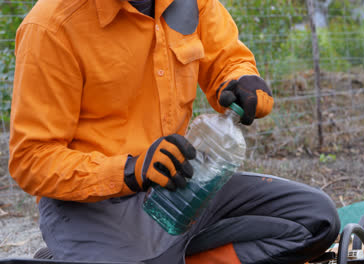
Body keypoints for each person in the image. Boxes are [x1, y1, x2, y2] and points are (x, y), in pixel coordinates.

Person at [9, 0, 340, 263]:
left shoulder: (191, 3)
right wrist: (130, 170)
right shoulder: (52, 25)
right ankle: (75, 253)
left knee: (314, 220)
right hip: (94, 207)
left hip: (181, 188)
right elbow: (32, 160)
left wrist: (241, 81)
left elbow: (228, 60)